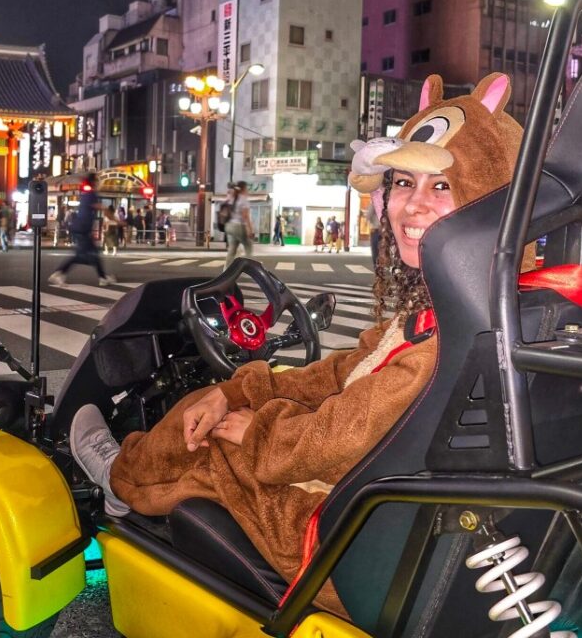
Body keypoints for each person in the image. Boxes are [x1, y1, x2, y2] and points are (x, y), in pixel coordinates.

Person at [70, 72, 526, 617]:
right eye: (402, 183)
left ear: (491, 200)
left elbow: (342, 437)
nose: (411, 207)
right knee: (220, 405)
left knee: (208, 436)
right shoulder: (458, 309)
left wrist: (253, 429)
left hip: (339, 538)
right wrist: (243, 391)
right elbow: (340, 377)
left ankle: (120, 478)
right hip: (380, 513)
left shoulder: (449, 335)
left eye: (442, 187)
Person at [49, 172, 117, 286]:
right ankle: (58, 273)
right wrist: (117, 220)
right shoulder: (91, 194)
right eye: (97, 180)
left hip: (81, 228)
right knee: (81, 255)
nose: (98, 182)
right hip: (82, 228)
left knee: (93, 254)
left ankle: (103, 277)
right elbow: (102, 207)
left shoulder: (87, 193)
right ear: (94, 182)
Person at [224, 180, 254, 265]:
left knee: (232, 251)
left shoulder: (231, 198)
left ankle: (226, 272)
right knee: (248, 248)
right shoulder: (243, 199)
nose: (247, 190)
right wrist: (249, 230)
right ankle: (249, 270)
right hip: (239, 227)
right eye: (247, 188)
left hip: (229, 226)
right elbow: (245, 216)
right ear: (243, 189)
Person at [366, 200, 381, 266]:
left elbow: (368, 215)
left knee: (376, 251)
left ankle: (378, 268)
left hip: (377, 230)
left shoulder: (375, 202)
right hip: (388, 230)